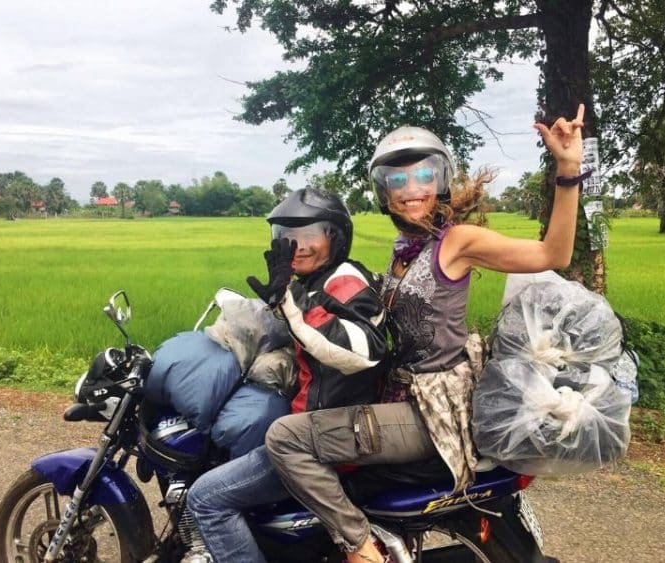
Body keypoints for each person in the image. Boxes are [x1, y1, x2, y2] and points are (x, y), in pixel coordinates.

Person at [264, 105, 587, 563]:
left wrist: (568, 169)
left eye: (423, 176)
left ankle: (359, 546)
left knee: (286, 437)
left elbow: (554, 252)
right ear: (384, 191)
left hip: (434, 409)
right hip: (398, 394)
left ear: (441, 181)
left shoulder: (456, 242)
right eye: (397, 180)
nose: (411, 190)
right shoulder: (402, 250)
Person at [186, 187, 387, 562]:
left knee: (206, 498)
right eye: (288, 237)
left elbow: (361, 350)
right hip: (321, 423)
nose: (300, 246)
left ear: (336, 238)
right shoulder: (314, 281)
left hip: (328, 436)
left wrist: (289, 304)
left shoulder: (344, 281)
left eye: (312, 235)